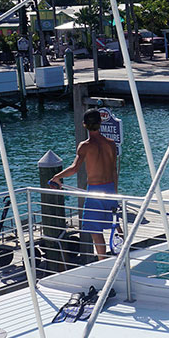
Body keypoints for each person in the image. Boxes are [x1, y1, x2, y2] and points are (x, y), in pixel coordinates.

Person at [49, 109, 118, 260]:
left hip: (95, 191)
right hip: (110, 189)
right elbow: (114, 170)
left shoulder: (85, 145)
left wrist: (57, 176)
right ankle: (124, 255)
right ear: (100, 122)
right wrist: (115, 193)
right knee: (116, 225)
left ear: (84, 125)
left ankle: (102, 263)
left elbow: (74, 168)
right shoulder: (111, 144)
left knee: (96, 231)